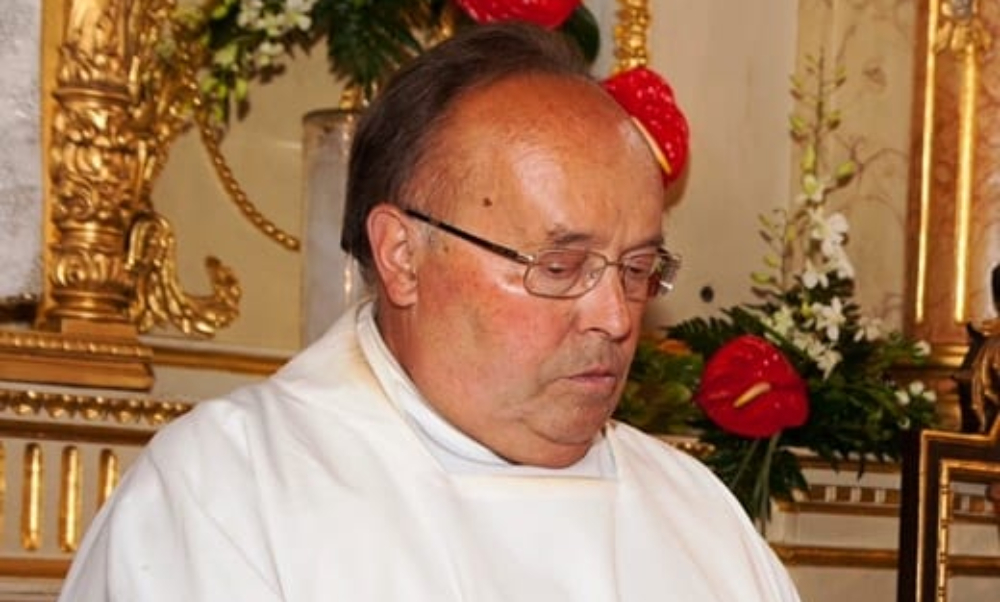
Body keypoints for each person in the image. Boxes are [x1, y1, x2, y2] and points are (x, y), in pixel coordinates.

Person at [58, 22, 801, 601]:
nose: (615, 315)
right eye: (559, 266)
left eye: (638, 270)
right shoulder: (228, 497)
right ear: (403, 256)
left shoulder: (697, 515)